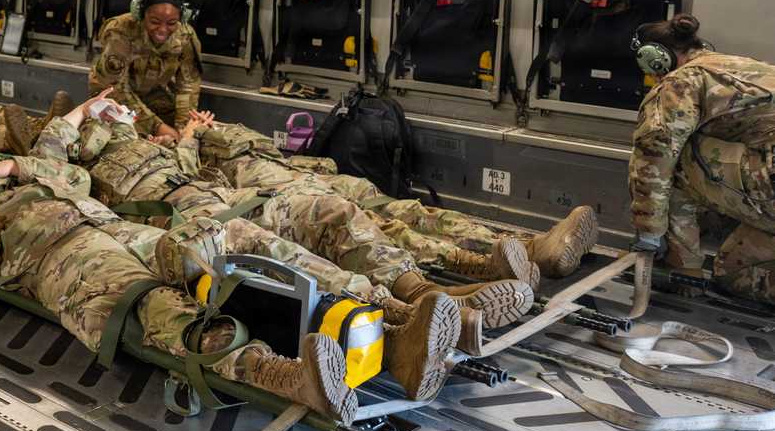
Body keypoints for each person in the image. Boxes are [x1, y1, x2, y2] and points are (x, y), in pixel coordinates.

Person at [0, 144, 360, 419]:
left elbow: (75, 178)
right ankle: (284, 376)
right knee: (150, 305)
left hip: (112, 227)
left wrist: (15, 166)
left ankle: (376, 307)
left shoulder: (18, 174)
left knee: (232, 236)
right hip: (60, 256)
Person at [46, 100, 530, 354]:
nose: (119, 117)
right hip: (189, 221)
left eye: (120, 114)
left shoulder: (155, 146)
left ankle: (423, 295)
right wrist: (80, 113)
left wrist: (189, 136)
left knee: (332, 211)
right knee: (288, 261)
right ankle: (404, 320)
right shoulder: (81, 172)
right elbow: (45, 160)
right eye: (107, 117)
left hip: (228, 199)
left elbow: (189, 160)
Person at [193, 120, 600, 285]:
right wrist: (186, 136)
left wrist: (208, 126)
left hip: (301, 172)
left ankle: (527, 245)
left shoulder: (216, 127)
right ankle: (482, 262)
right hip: (277, 189)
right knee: (383, 229)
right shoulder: (179, 152)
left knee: (406, 209)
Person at [629, 14, 775, 303]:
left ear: (656, 58)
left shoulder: (681, 81)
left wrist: (649, 231)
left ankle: (683, 274)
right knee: (733, 264)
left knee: (677, 164)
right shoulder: (742, 66)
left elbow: (654, 154)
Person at [89, 0, 202, 143]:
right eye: (155, 21)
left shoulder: (185, 35)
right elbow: (115, 88)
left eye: (171, 23)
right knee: (118, 136)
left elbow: (188, 85)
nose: (163, 30)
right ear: (141, 15)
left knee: (190, 132)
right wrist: (157, 127)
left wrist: (183, 130)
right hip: (111, 94)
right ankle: (75, 120)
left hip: (153, 94)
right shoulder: (121, 31)